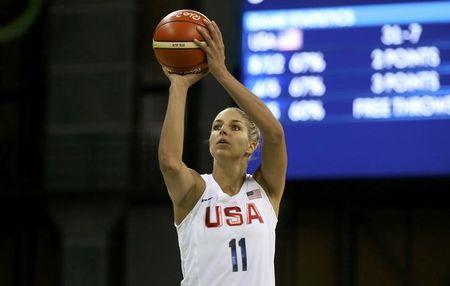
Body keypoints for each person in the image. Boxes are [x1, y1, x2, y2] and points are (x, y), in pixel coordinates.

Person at [158, 18, 287, 286]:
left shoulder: (266, 189)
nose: (223, 131)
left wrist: (221, 73)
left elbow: (274, 134)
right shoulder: (196, 190)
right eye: (217, 127)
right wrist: (179, 87)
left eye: (235, 127)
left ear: (252, 145)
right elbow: (170, 164)